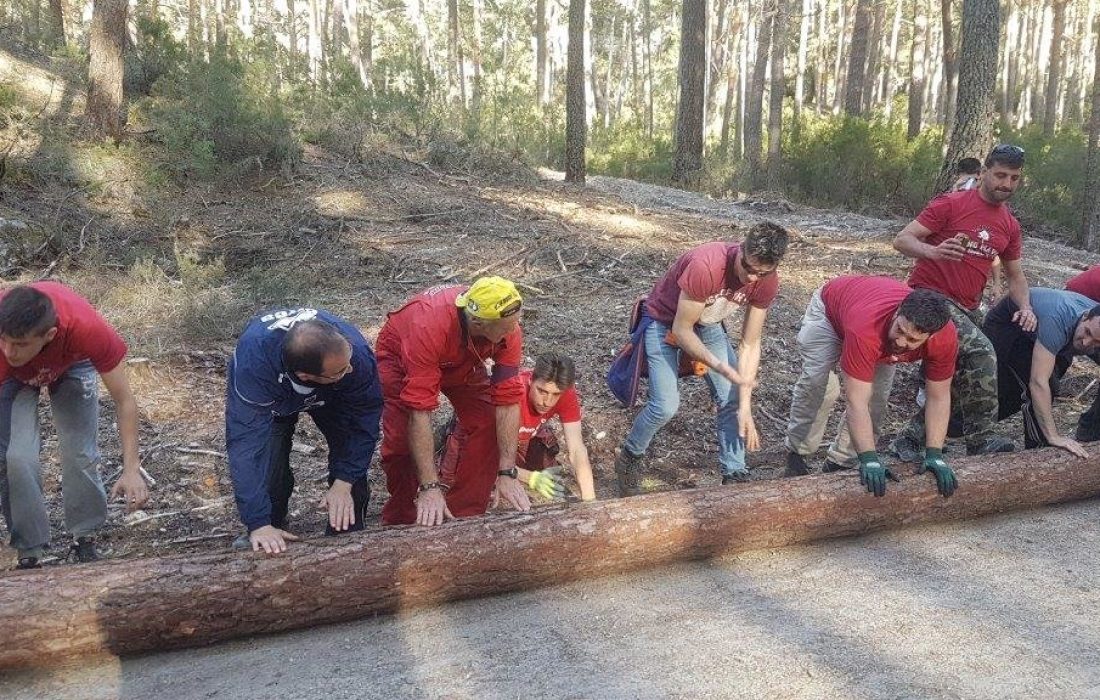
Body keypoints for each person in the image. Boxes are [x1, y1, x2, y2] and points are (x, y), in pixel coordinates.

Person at [614, 222, 790, 495]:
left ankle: (734, 472)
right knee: (665, 405)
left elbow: (751, 342)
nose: (753, 279)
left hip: (707, 324)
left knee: (731, 399)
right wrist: (719, 365)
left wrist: (745, 403)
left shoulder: (767, 280)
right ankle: (630, 456)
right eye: (749, 268)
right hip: (665, 321)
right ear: (741, 249)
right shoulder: (707, 265)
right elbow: (681, 330)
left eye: (762, 273)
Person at [890, 144, 1035, 461]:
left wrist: (1025, 307)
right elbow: (902, 239)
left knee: (958, 375)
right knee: (982, 352)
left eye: (1013, 178)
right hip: (930, 297)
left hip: (969, 307)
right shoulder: (951, 204)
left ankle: (912, 439)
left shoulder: (1009, 225)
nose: (1006, 184)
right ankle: (981, 440)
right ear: (984, 173)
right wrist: (934, 251)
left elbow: (1017, 275)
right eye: (1000, 175)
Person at [0, 282, 149, 569]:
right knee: (16, 458)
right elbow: (10, 350)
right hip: (15, 378)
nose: (8, 350)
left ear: (50, 335)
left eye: (19, 344)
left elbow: (124, 401)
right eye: (3, 339)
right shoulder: (6, 351)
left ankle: (85, 535)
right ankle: (29, 550)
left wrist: (131, 470)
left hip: (71, 364)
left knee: (78, 451)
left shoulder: (85, 327)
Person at [225, 308, 382, 555]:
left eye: (347, 363)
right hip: (275, 397)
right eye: (340, 371)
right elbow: (246, 447)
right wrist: (258, 522)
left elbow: (363, 421)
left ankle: (347, 534)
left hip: (335, 395)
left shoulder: (354, 357)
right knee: (270, 465)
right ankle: (270, 529)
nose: (349, 370)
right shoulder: (254, 367)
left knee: (349, 458)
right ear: (306, 376)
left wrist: (344, 482)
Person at [785, 277, 958, 498]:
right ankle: (797, 454)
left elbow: (939, 397)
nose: (902, 342)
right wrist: (870, 457)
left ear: (931, 336)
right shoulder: (866, 328)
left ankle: (841, 462)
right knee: (820, 387)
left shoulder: (944, 338)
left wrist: (934, 453)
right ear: (897, 312)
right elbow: (856, 401)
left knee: (876, 400)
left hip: (868, 325)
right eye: (900, 330)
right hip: (830, 313)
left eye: (913, 339)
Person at [377, 276, 530, 526]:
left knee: (488, 420)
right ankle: (401, 516)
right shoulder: (429, 325)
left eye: (515, 323)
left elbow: (508, 398)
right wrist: (430, 485)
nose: (513, 330)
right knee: (401, 442)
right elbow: (420, 410)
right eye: (506, 326)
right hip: (403, 357)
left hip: (463, 357)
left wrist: (507, 470)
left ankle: (465, 515)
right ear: (479, 321)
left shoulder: (507, 328)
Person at [439, 352, 596, 501]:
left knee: (545, 461)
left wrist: (590, 502)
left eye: (555, 395)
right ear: (530, 381)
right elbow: (484, 457)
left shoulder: (565, 393)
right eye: (542, 391)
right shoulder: (512, 395)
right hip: (479, 429)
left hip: (522, 432)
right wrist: (530, 477)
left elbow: (577, 450)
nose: (547, 401)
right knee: (459, 488)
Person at [983, 288, 1100, 459]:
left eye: (1097, 342)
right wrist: (1054, 436)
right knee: (1038, 388)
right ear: (1085, 317)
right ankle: (1040, 450)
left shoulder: (1088, 328)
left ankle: (1091, 433)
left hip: (1045, 337)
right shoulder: (1058, 320)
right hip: (1009, 328)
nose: (1086, 342)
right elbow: (1038, 383)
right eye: (1087, 332)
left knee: (1044, 385)